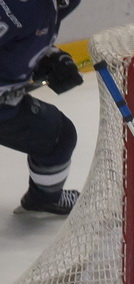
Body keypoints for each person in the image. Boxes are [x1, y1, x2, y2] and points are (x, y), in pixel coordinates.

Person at [1, 0, 84, 215]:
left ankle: (44, 199)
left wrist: (48, 57)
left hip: (7, 109)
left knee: (59, 136)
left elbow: (25, 38)